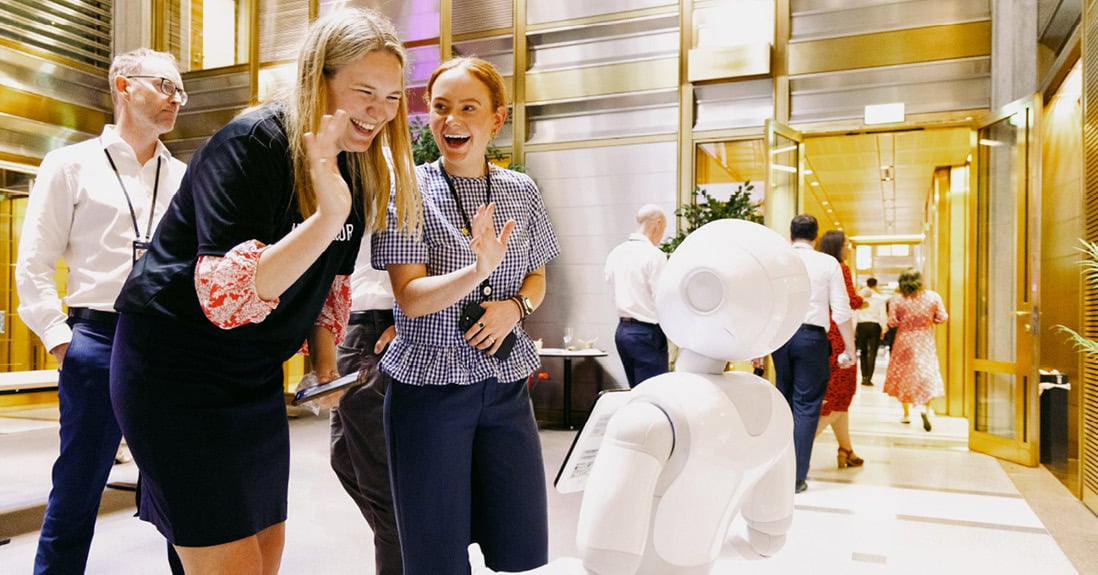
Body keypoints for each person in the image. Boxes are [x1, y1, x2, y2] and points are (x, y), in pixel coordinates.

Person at [108, 9, 421, 574]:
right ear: (318, 79)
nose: (379, 111)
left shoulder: (351, 168)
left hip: (252, 382)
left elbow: (332, 287)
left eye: (394, 98)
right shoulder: (253, 144)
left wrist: (326, 367)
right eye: (364, 91)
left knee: (263, 557)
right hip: (176, 378)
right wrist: (326, 218)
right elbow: (224, 298)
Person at [373, 56, 559, 574]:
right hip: (430, 390)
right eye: (440, 107)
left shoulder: (521, 190)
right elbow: (409, 297)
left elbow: (538, 279)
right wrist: (477, 271)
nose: (452, 120)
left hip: (503, 387)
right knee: (435, 554)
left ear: (496, 119)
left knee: (522, 546)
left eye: (468, 108)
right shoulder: (405, 188)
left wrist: (515, 308)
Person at [14, 47, 187, 575]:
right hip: (97, 335)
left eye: (180, 91)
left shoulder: (184, 176)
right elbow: (33, 266)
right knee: (79, 486)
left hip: (171, 340)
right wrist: (63, 341)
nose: (174, 100)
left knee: (182, 489)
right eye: (164, 85)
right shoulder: (71, 164)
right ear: (122, 85)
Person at [330, 235, 401, 575]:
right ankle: (414, 546)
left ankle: (409, 550)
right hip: (349, 327)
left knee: (383, 487)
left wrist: (413, 322)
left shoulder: (405, 183)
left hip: (377, 323)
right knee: (342, 458)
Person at [770, 214, 855, 494]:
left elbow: (764, 303)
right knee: (806, 407)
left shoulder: (777, 260)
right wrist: (849, 349)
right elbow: (841, 311)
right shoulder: (827, 263)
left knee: (783, 402)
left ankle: (775, 470)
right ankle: (795, 478)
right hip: (811, 338)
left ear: (790, 234)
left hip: (780, 337)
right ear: (816, 236)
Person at [813, 230, 865, 469]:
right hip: (839, 337)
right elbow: (849, 301)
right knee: (837, 397)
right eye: (846, 244)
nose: (847, 248)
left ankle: (847, 450)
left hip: (823, 334)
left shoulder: (817, 266)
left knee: (838, 397)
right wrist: (861, 299)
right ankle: (796, 447)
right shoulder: (839, 268)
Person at [604, 204, 669, 387]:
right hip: (647, 333)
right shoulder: (654, 255)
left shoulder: (616, 253)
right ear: (657, 224)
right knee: (653, 393)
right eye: (663, 228)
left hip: (623, 331)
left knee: (637, 391)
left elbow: (611, 289)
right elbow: (662, 297)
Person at [882, 268, 948, 431]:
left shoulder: (897, 298)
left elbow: (892, 321)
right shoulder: (933, 296)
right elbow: (942, 317)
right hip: (925, 340)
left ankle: (906, 415)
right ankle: (925, 409)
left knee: (904, 374)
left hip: (904, 340)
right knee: (926, 373)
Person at [855, 277, 889, 386]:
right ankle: (869, 378)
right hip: (874, 325)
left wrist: (854, 328)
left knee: (863, 351)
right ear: (876, 285)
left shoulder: (860, 297)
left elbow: (855, 313)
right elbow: (882, 315)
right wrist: (884, 328)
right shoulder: (879, 299)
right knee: (873, 353)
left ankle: (864, 376)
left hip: (862, 325)